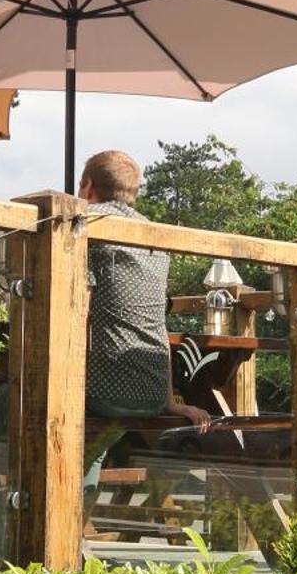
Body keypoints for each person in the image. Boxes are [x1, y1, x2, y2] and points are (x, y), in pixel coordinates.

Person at [79, 149, 208, 429]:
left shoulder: (82, 222)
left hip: (102, 393)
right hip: (152, 394)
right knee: (95, 445)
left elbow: (79, 310)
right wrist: (169, 401)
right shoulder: (156, 236)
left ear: (87, 185)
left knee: (3, 403)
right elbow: (157, 324)